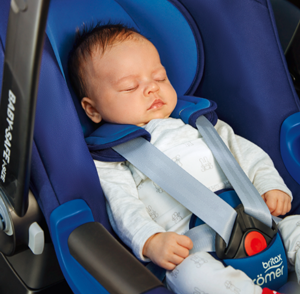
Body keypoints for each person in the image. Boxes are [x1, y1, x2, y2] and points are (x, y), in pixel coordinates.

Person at [68, 23, 298, 294]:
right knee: (188, 275)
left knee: (296, 226)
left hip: (260, 225)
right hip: (194, 251)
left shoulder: (201, 124)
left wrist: (270, 186)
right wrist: (151, 240)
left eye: (160, 77)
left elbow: (247, 155)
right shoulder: (112, 157)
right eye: (130, 87)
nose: (152, 88)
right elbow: (123, 207)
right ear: (92, 109)